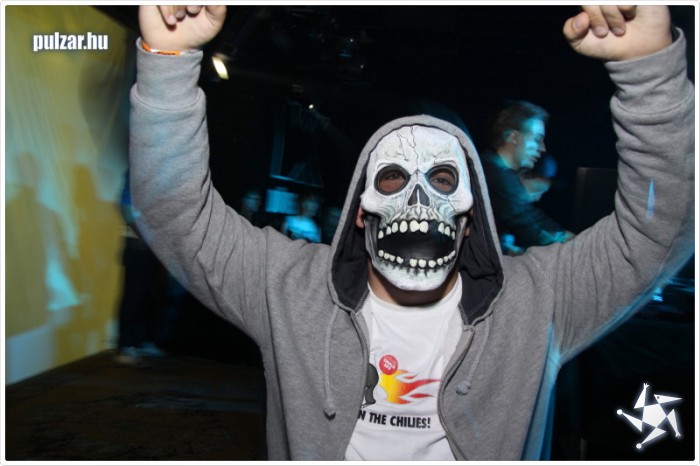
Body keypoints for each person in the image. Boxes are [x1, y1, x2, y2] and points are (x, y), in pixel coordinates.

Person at [129, 5, 694, 460]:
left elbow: (659, 230)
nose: (418, 198)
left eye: (443, 180)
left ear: (469, 216)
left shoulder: (537, 301)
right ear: (361, 210)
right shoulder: (290, 289)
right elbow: (177, 215)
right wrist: (168, 61)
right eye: (393, 178)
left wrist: (648, 69)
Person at [481, 100, 575, 254]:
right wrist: (573, 243)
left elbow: (531, 219)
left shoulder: (498, 170)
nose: (542, 148)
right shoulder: (496, 174)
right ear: (514, 137)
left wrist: (564, 235)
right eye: (537, 139)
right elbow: (530, 229)